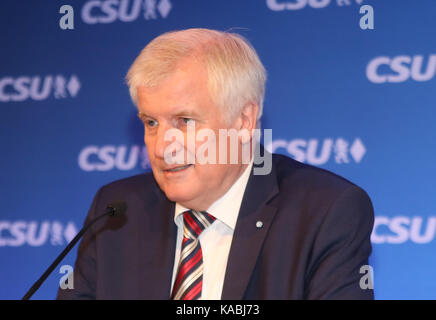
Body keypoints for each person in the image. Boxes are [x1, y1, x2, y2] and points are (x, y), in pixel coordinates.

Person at [57, 28, 374, 300]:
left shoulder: (325, 211)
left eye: (184, 120)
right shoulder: (117, 212)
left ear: (243, 120)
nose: (163, 145)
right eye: (151, 122)